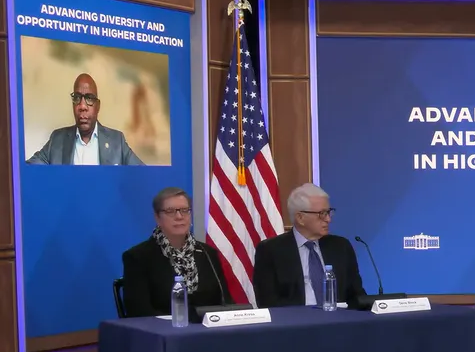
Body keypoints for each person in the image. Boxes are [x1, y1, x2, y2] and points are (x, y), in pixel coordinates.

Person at [252, 183, 368, 308]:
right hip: (294, 324)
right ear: (300, 218)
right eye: (322, 213)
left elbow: (357, 296)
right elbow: (268, 302)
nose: (328, 219)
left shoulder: (341, 247)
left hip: (338, 321)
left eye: (329, 212)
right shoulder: (270, 251)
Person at [121, 187, 230, 318]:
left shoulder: (208, 254)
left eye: (185, 210)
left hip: (209, 332)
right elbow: (139, 311)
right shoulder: (138, 257)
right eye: (170, 211)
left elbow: (226, 302)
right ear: (157, 218)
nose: (179, 216)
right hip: (164, 333)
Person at [26, 73, 144, 165]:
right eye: (77, 98)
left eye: (89, 98)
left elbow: (143, 175)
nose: (82, 106)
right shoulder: (57, 140)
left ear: (98, 106)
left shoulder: (117, 142)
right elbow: (27, 170)